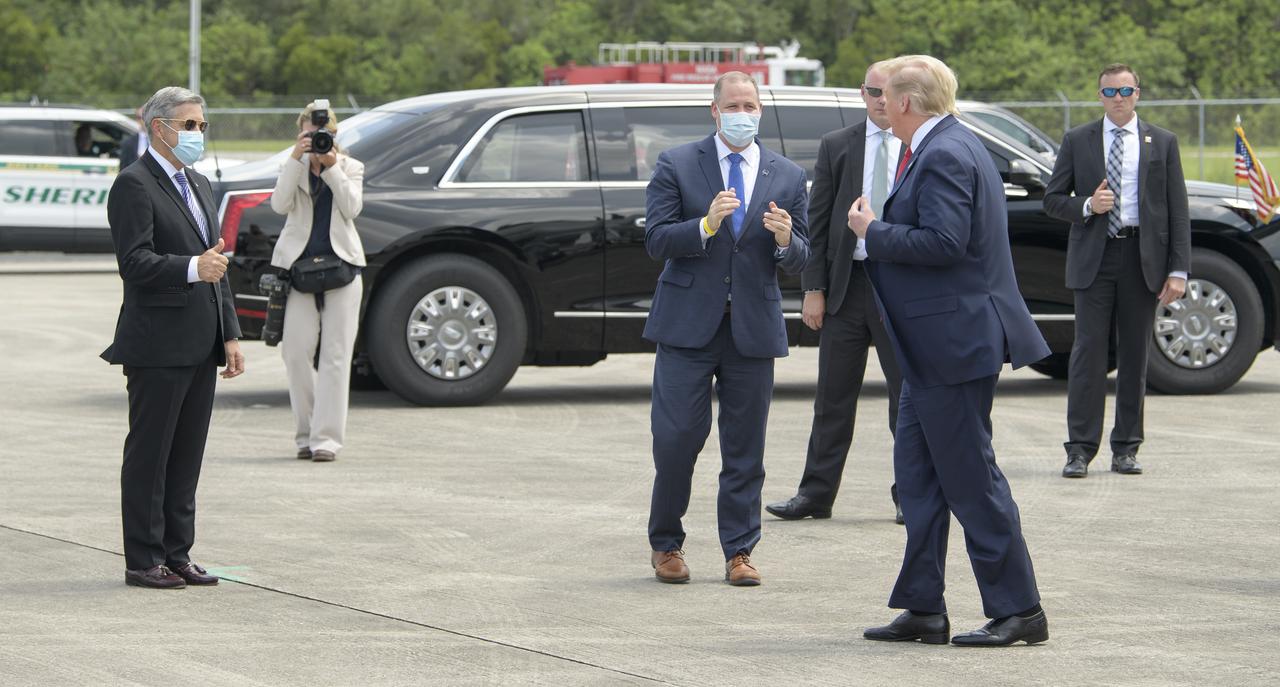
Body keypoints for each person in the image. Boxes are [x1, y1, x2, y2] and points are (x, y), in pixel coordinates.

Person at [846, 55, 1050, 646]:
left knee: (969, 479)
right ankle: (923, 606)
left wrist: (871, 232)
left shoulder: (945, 153)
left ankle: (1020, 610)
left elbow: (943, 242)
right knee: (917, 477)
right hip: (930, 347)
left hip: (954, 344)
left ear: (909, 103)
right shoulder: (942, 147)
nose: (880, 104)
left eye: (886, 95)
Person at [644, 71, 810, 586]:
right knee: (676, 439)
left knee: (745, 447)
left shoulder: (785, 172)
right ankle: (666, 543)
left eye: (752, 105)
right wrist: (705, 225)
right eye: (734, 104)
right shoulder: (677, 163)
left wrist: (786, 240)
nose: (744, 113)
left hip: (752, 329)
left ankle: (740, 551)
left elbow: (802, 256)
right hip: (688, 327)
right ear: (714, 111)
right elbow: (655, 239)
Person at [101, 86, 244, 589]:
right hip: (157, 343)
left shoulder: (200, 185)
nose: (196, 135)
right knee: (151, 455)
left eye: (202, 126)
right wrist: (191, 267)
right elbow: (134, 262)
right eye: (188, 126)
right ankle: (143, 559)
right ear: (159, 127)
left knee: (186, 455)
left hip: (200, 340)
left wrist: (229, 334)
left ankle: (177, 553)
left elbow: (217, 263)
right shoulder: (134, 185)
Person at [766, 61, 905, 525]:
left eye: (890, 91)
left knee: (907, 396)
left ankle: (911, 493)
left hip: (902, 288)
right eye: (874, 91)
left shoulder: (918, 142)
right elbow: (818, 223)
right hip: (849, 286)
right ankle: (815, 495)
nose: (882, 100)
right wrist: (814, 288)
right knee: (832, 397)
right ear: (861, 93)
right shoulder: (838, 146)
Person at [1044, 64, 1190, 479]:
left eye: (1125, 90)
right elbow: (1053, 200)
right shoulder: (1078, 140)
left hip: (1142, 259)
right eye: (1110, 92)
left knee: (1134, 355)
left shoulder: (1162, 142)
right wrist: (1088, 206)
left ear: (1138, 93)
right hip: (1095, 256)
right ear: (1099, 96)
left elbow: (1177, 211)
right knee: (1088, 355)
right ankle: (1079, 448)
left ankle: (1126, 447)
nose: (1118, 98)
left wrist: (1178, 270)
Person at [269, 100, 366, 463]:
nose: (317, 139)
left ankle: (326, 439)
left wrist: (330, 169)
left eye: (324, 134)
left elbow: (352, 208)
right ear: (301, 133)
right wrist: (298, 159)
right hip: (298, 269)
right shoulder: (290, 165)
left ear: (335, 135)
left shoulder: (351, 166)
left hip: (343, 267)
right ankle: (305, 434)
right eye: (310, 134)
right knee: (294, 353)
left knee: (336, 356)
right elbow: (279, 205)